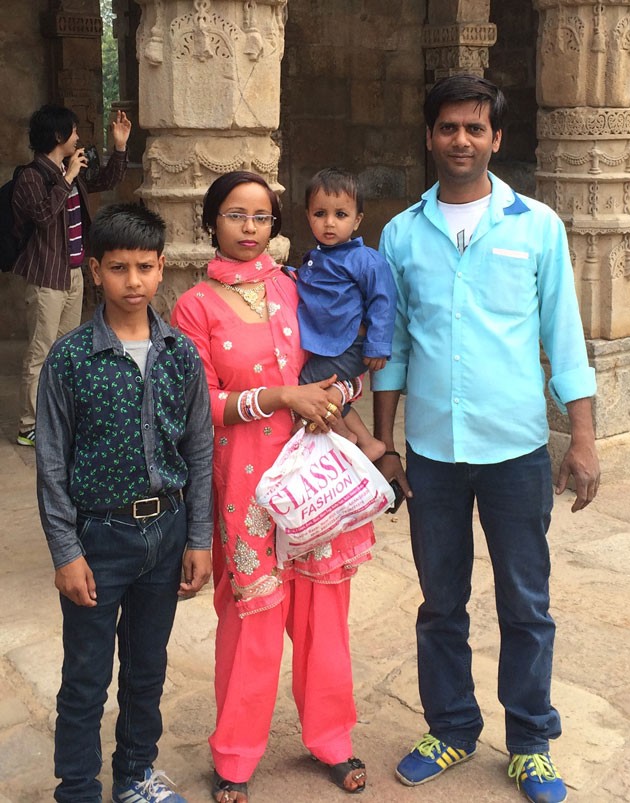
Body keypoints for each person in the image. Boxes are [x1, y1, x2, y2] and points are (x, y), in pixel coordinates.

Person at [373, 74, 601, 803]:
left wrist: (585, 440)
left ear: (497, 139)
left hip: (517, 453)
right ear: (430, 136)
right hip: (434, 456)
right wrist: (385, 444)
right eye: (448, 128)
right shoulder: (402, 234)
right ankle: (451, 725)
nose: (461, 140)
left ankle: (531, 740)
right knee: (441, 601)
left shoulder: (536, 226)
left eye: (475, 129)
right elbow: (395, 349)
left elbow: (564, 342)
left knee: (525, 602)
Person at [171, 170, 376, 803]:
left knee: (323, 618)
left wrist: (342, 392)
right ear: (213, 221)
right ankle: (234, 752)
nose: (250, 228)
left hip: (314, 482)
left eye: (262, 217)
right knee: (251, 620)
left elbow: (340, 363)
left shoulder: (296, 287)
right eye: (237, 215)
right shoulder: (194, 306)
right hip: (245, 488)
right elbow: (196, 403)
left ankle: (332, 739)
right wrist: (278, 396)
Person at [35, 202, 214, 803]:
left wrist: (198, 538)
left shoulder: (182, 355)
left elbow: (198, 451)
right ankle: (78, 788)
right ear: (94, 272)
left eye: (144, 267)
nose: (132, 282)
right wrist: (65, 550)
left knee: (146, 670)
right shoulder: (70, 359)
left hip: (164, 535)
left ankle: (136, 776)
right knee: (86, 675)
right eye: (118, 268)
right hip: (98, 540)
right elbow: (52, 464)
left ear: (162, 268)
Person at [13, 104, 132, 448]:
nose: (79, 137)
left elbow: (105, 181)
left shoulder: (69, 170)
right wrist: (66, 179)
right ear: (58, 136)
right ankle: (28, 424)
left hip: (73, 271)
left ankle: (61, 417)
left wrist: (120, 146)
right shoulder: (31, 177)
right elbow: (42, 216)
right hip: (46, 276)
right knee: (42, 351)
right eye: (75, 131)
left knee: (67, 350)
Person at [295, 167, 395, 460]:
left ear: (357, 220)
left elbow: (383, 301)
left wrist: (378, 345)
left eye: (340, 215)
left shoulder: (365, 260)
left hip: (351, 345)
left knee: (307, 384)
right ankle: (366, 440)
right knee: (327, 387)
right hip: (329, 344)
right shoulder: (316, 259)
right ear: (307, 216)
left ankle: (344, 439)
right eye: (319, 214)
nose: (329, 223)